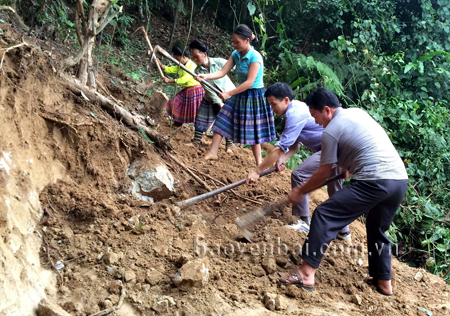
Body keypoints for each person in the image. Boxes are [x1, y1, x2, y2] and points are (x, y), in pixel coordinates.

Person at [279, 88, 408, 297]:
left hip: (375, 180)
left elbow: (322, 173)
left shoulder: (330, 131)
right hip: (399, 180)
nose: (317, 123)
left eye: (315, 116)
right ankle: (384, 282)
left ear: (327, 110)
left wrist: (300, 191)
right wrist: (348, 167)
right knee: (377, 229)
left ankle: (305, 273)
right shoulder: (357, 113)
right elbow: (363, 142)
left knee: (324, 214)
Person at [246, 82, 350, 239]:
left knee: (299, 175)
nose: (273, 109)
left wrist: (257, 171)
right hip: (338, 149)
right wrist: (283, 159)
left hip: (332, 149)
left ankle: (304, 222)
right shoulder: (297, 109)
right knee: (334, 190)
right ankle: (344, 232)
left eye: (274, 105)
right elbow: (296, 144)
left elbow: (279, 148)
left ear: (286, 100)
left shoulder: (295, 114)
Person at [196, 24, 276, 166]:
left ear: (247, 40)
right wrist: (206, 76)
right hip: (240, 93)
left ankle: (259, 163)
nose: (234, 44)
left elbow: (250, 82)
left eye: (237, 42)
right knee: (222, 118)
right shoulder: (235, 54)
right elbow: (222, 72)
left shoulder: (255, 57)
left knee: (254, 130)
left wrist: (229, 93)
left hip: (254, 95)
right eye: (233, 41)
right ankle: (213, 153)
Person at [188, 39, 235, 151]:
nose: (194, 59)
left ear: (204, 54)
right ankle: (196, 142)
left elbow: (232, 66)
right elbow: (208, 89)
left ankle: (229, 146)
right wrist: (219, 103)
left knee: (226, 119)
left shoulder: (218, 62)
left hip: (228, 94)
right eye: (193, 57)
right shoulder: (197, 71)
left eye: (196, 56)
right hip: (211, 97)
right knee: (201, 117)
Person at [156, 46, 204, 127]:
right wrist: (159, 64)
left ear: (184, 57)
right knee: (175, 103)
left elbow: (184, 79)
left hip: (196, 90)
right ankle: (178, 122)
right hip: (188, 90)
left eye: (178, 59)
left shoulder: (192, 65)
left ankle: (198, 129)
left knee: (196, 112)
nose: (177, 61)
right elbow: (170, 69)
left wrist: (169, 80)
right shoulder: (181, 65)